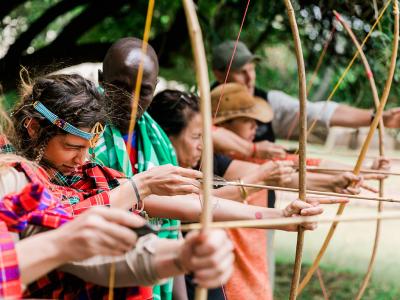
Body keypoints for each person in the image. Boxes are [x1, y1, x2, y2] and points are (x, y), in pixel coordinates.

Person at [95, 37, 341, 300]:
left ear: (154, 88)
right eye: (119, 87)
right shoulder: (87, 138)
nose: (131, 102)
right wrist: (275, 213)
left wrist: (285, 210)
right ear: (101, 80)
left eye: (143, 91)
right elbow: (183, 204)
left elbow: (177, 221)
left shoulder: (156, 140)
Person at [147, 89, 361, 300]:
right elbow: (198, 203)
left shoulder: (210, 160)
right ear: (164, 135)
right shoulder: (152, 177)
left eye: (204, 136)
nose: (202, 145)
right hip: (183, 281)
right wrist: (262, 183)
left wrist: (332, 182)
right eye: (196, 136)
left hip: (210, 283)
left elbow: (279, 176)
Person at [211, 40, 400, 143]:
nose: (250, 78)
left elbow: (318, 112)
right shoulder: (202, 107)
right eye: (241, 72)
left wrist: (376, 118)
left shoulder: (269, 101)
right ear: (219, 75)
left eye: (251, 69)